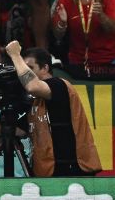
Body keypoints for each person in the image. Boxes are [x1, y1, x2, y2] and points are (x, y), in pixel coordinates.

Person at [6, 42, 101, 177]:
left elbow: (32, 86)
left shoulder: (59, 85)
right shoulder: (35, 102)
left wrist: (15, 55)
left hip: (72, 172)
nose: (23, 72)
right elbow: (18, 131)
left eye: (30, 67)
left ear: (45, 68)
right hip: (48, 174)